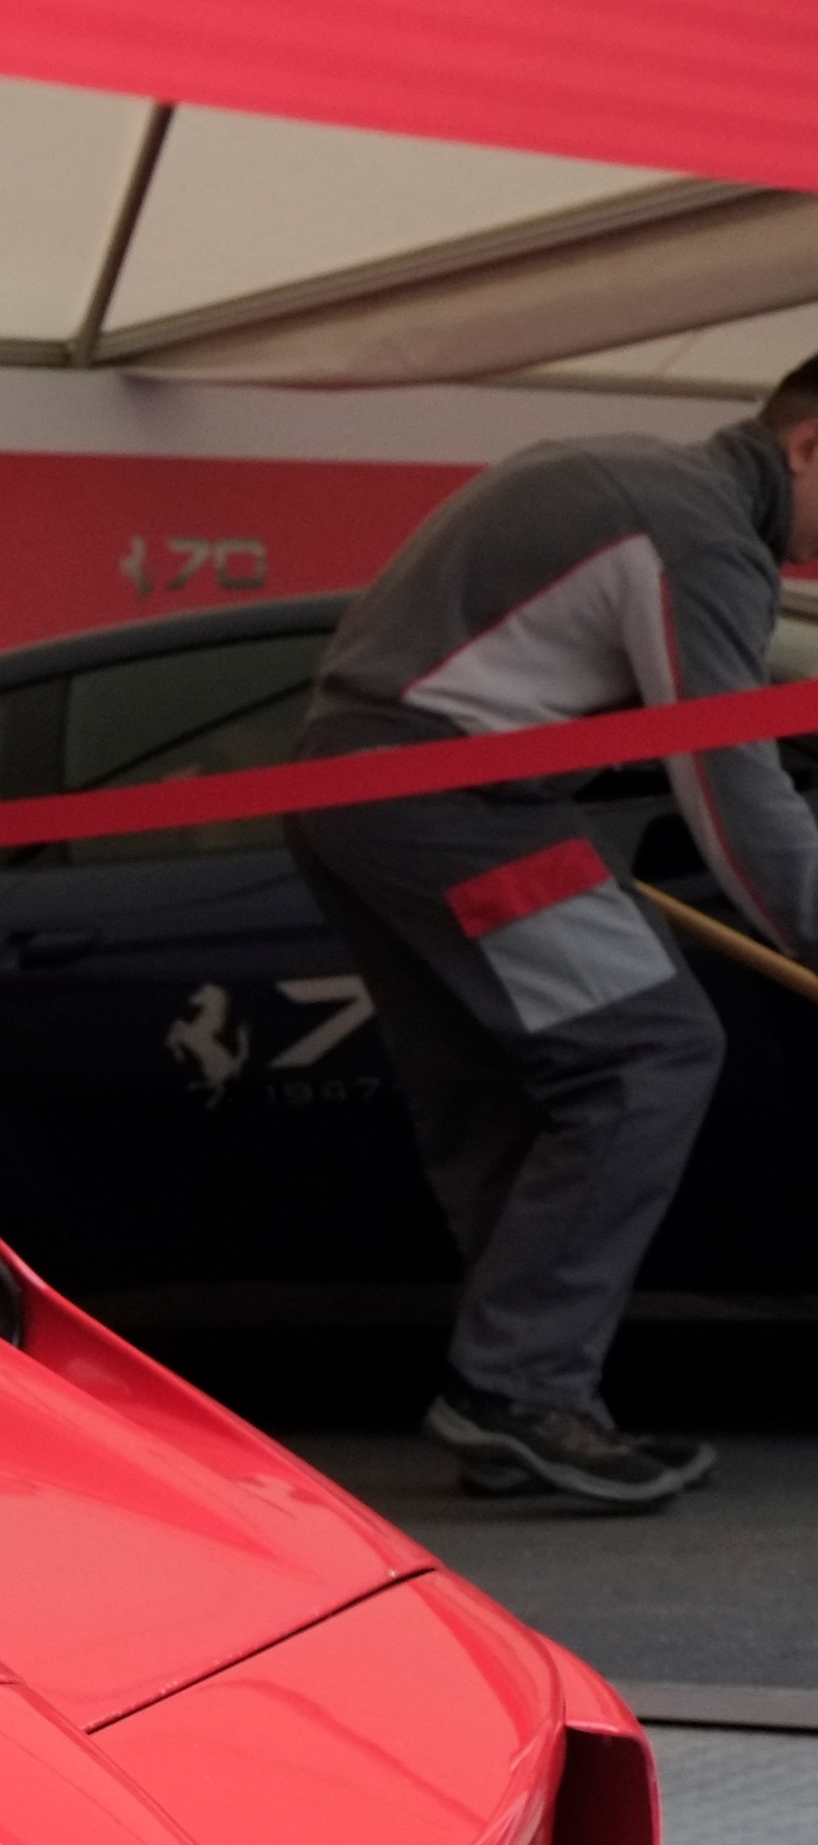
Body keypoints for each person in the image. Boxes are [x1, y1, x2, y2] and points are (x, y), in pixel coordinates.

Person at [285, 353, 818, 1508]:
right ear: (809, 449)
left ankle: (522, 1407)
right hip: (444, 799)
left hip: (355, 791)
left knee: (498, 1090)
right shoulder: (705, 538)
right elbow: (734, 787)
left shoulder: (636, 473)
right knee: (655, 1048)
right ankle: (521, 1388)